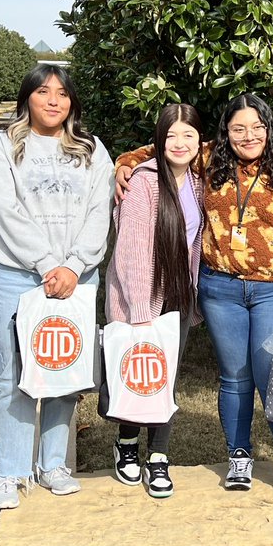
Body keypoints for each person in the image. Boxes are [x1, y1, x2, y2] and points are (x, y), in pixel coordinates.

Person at [115, 92, 273, 503]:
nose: (248, 136)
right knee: (235, 377)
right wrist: (123, 164)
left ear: (269, 128)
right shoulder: (210, 160)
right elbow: (166, 144)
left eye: (256, 127)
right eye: (238, 128)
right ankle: (239, 456)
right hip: (220, 288)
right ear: (226, 132)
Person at [0, 65, 114, 510]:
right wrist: (46, 263)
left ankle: (54, 463)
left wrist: (73, 265)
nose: (53, 101)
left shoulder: (92, 150)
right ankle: (11, 470)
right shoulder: (1, 145)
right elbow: (5, 209)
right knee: (15, 374)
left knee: (64, 369)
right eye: (42, 92)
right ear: (27, 99)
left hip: (77, 276)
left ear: (72, 101)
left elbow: (100, 212)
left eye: (61, 93)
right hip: (19, 274)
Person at [105, 104, 204, 498]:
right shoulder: (143, 183)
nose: (179, 144)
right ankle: (127, 444)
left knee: (166, 376)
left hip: (178, 294)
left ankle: (159, 457)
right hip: (138, 296)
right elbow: (130, 252)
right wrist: (140, 312)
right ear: (158, 140)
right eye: (171, 135)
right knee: (137, 370)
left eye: (189, 136)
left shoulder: (198, 182)